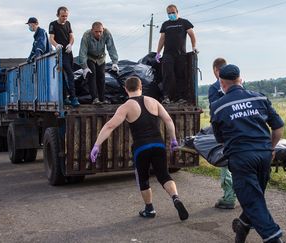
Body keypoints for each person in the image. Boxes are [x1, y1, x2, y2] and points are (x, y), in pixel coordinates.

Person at [90, 76, 189, 221]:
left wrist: (97, 145)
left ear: (125, 89)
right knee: (164, 176)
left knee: (143, 179)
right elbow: (168, 119)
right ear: (141, 86)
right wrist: (173, 139)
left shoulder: (125, 106)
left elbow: (110, 126)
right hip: (158, 145)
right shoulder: (153, 102)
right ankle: (175, 198)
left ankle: (149, 209)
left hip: (141, 148)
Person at [210, 64, 284, 243]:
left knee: (252, 201)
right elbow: (278, 127)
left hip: (242, 158)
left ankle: (274, 237)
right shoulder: (259, 97)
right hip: (264, 155)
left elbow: (220, 139)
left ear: (222, 83)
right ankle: (242, 226)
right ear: (239, 79)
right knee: (255, 197)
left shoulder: (218, 106)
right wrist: (272, 148)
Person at [208, 58, 236, 209]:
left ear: (216, 70)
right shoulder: (238, 84)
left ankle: (229, 197)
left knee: (226, 163)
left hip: (226, 132)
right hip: (241, 130)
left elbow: (215, 113)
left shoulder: (214, 87)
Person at [155, 4, 197, 104]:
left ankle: (180, 97)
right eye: (169, 13)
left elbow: (192, 35)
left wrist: (194, 47)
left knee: (180, 75)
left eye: (173, 12)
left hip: (180, 54)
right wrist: (158, 52)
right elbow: (162, 39)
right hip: (168, 54)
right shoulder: (165, 24)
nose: (171, 15)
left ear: (177, 12)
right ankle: (167, 97)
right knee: (167, 75)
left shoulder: (184, 22)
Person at [79, 21, 119, 105]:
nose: (98, 34)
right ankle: (95, 98)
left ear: (103, 29)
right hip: (90, 57)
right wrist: (84, 67)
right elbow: (82, 52)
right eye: (96, 32)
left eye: (100, 31)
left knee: (101, 77)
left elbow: (111, 47)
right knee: (92, 75)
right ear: (92, 30)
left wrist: (114, 62)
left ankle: (102, 98)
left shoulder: (107, 33)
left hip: (101, 58)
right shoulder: (86, 35)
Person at [49, 6, 80, 107]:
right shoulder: (53, 24)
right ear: (58, 15)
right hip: (59, 53)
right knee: (64, 76)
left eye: (66, 16)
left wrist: (70, 44)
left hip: (68, 52)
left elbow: (71, 36)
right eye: (62, 16)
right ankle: (71, 97)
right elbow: (51, 38)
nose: (64, 18)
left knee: (70, 75)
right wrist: (56, 45)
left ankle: (69, 96)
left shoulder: (68, 24)